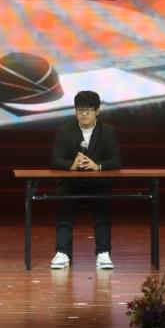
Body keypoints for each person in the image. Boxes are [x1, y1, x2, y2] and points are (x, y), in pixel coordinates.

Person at [48, 91, 122, 270]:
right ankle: (62, 253)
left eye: (88, 110)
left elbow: (116, 160)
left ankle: (103, 253)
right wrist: (72, 165)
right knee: (64, 212)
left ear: (97, 111)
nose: (84, 114)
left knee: (102, 212)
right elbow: (55, 160)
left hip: (97, 183)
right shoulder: (64, 131)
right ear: (75, 111)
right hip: (71, 183)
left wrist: (98, 166)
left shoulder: (108, 132)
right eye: (80, 110)